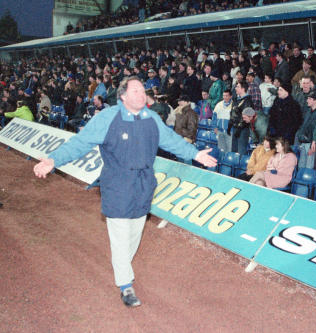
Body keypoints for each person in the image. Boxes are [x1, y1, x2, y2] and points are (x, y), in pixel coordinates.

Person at [33, 76, 217, 308]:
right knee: (120, 235)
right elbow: (80, 143)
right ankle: (125, 284)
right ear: (123, 96)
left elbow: (171, 140)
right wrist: (53, 160)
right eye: (137, 91)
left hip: (144, 184)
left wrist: (196, 154)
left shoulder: (152, 118)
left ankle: (122, 267)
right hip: (117, 184)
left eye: (143, 91)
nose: (142, 95)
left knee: (134, 233)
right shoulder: (107, 119)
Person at [296, 90, 316, 168]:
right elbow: (303, 126)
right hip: (303, 142)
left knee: (309, 166)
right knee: (301, 166)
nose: (307, 100)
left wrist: (313, 144)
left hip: (311, 144)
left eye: (310, 99)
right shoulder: (308, 111)